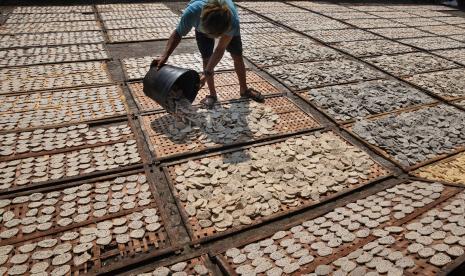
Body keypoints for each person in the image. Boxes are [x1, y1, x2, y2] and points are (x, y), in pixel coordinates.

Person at [152, 0, 265, 109]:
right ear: (201, 19)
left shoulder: (232, 21)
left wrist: (207, 73)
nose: (214, 38)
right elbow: (178, 33)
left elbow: (220, 49)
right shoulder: (192, 12)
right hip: (203, 25)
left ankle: (244, 89)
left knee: (237, 56)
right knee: (206, 58)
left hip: (227, 26)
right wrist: (165, 55)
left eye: (217, 35)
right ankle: (212, 95)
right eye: (211, 34)